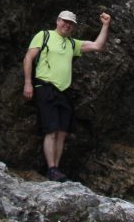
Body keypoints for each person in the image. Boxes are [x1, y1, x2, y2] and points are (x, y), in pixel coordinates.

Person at [22, 10, 111, 182]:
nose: (67, 25)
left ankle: (56, 168)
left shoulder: (72, 44)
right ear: (57, 21)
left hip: (63, 91)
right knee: (51, 130)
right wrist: (28, 83)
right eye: (64, 21)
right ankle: (52, 168)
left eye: (70, 23)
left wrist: (105, 25)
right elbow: (28, 57)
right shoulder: (44, 35)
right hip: (45, 86)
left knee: (62, 132)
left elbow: (97, 46)